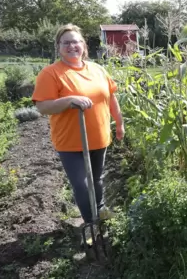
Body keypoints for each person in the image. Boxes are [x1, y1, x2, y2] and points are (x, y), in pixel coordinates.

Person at [32, 23, 125, 245]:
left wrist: (119, 123)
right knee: (82, 184)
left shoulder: (97, 69)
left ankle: (100, 209)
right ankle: (90, 222)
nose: (72, 46)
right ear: (58, 47)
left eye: (76, 41)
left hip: (99, 136)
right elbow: (43, 107)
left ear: (83, 45)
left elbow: (111, 97)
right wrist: (68, 100)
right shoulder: (51, 73)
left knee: (97, 179)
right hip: (71, 141)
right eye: (66, 42)